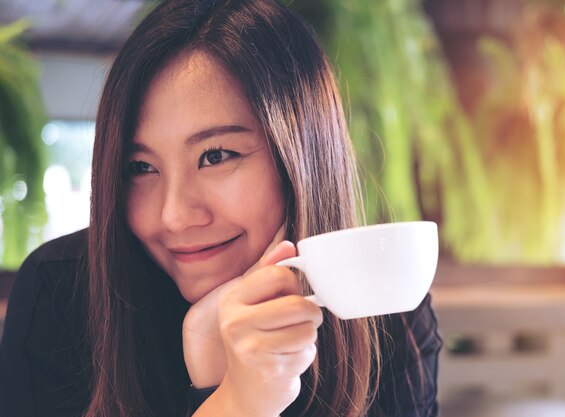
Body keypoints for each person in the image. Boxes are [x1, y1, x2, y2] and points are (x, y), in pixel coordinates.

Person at [0, 0, 442, 416]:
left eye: (215, 156)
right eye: (140, 166)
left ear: (302, 155)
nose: (173, 216)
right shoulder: (59, 293)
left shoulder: (384, 311)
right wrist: (235, 400)